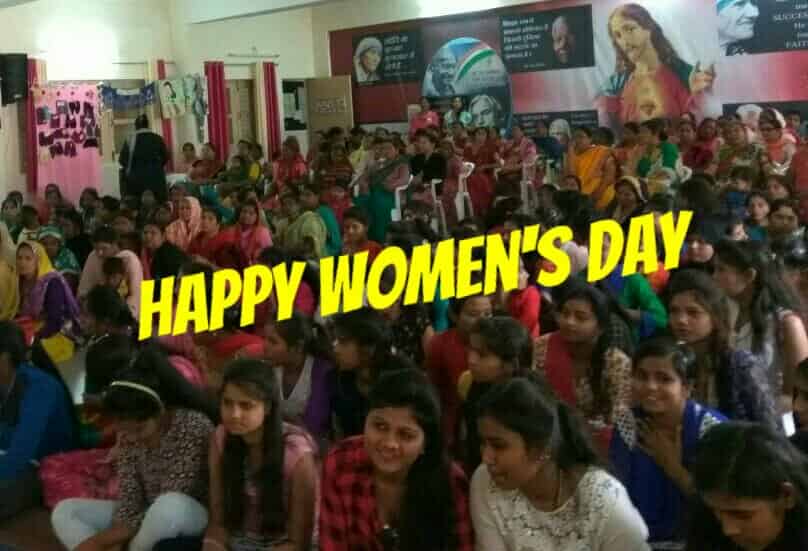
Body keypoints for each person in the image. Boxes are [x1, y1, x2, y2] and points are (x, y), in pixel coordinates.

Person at [51, 350, 215, 551]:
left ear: (160, 410)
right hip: (146, 515)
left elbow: (175, 494)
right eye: (125, 430)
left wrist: (102, 540)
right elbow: (129, 496)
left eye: (139, 429)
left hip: (187, 515)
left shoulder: (192, 426)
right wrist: (116, 531)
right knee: (66, 511)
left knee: (168, 507)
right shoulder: (127, 433)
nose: (133, 438)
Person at [471, 376, 650, 550]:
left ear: (541, 449)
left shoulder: (605, 501)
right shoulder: (485, 481)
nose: (486, 458)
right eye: (482, 443)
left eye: (498, 446)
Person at [320, 369, 473, 551]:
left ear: (425, 444)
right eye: (380, 426)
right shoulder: (341, 463)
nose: (389, 443)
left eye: (406, 435)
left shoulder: (451, 482)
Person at [610, 338, 726, 546]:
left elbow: (723, 506)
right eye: (642, 376)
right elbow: (618, 495)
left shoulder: (712, 429)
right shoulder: (628, 423)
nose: (650, 387)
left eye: (664, 379)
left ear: (687, 387)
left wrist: (673, 467)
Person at [200, 359, 318, 551]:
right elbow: (218, 521)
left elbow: (298, 543)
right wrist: (213, 545)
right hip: (236, 541)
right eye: (227, 403)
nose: (234, 414)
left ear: (268, 407)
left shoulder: (296, 454)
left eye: (246, 405)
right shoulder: (220, 438)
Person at [666, 270, 779, 427]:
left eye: (693, 312)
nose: (681, 320)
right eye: (674, 311)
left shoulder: (740, 364)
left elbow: (770, 429)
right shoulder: (676, 362)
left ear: (715, 317)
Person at [713, 239, 808, 411]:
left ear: (749, 275)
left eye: (721, 270)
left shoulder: (786, 323)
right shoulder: (724, 313)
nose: (714, 277)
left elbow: (796, 393)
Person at [687, 422, 808, 549]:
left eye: (741, 515)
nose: (728, 530)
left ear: (786, 496)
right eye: (716, 512)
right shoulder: (706, 514)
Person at [0, 321, 75, 520]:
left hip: (42, 465)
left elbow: (21, 454)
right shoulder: (5, 381)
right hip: (9, 456)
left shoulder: (40, 388)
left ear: (5, 357)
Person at [599, 3, 715, 127]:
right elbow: (611, 127)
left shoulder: (684, 74)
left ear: (648, 28)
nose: (624, 41)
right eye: (618, 36)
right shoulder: (615, 85)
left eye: (629, 29)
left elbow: (696, 122)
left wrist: (698, 94)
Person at [457, 316, 532, 472]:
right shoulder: (467, 381)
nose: (471, 360)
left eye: (482, 355)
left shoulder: (530, 401)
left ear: (510, 365)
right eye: (471, 350)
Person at [264, 312, 334, 443]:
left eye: (273, 342)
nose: (265, 347)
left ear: (297, 347)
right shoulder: (269, 368)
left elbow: (313, 427)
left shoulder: (321, 372)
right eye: (265, 339)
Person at [16, 241, 81, 364]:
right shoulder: (20, 280)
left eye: (28, 258)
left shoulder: (51, 282)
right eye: (19, 258)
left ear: (38, 260)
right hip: (32, 325)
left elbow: (55, 321)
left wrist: (32, 338)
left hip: (57, 333)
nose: (22, 262)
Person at [78, 226, 144, 318]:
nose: (100, 253)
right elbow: (84, 290)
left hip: (126, 314)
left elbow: (135, 296)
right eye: (96, 249)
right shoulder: (93, 256)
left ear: (115, 244)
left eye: (104, 248)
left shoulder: (129, 259)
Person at [354, 136, 410, 244]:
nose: (386, 151)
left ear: (397, 150)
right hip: (372, 192)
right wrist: (364, 184)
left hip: (390, 194)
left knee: (377, 204)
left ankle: (381, 238)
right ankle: (364, 238)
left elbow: (404, 179)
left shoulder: (402, 163)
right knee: (358, 203)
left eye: (389, 148)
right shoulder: (378, 164)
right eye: (384, 148)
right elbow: (363, 178)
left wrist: (390, 185)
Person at [119, 114, 169, 201]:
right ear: (147, 125)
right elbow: (165, 157)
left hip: (136, 182)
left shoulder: (130, 140)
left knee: (137, 205)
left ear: (136, 126)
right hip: (156, 180)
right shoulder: (158, 138)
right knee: (158, 204)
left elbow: (122, 160)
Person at [566, 126, 617, 210]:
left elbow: (609, 176)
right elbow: (571, 177)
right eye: (574, 138)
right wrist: (570, 150)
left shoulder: (601, 151)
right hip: (580, 202)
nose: (577, 140)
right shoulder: (571, 157)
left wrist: (596, 195)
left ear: (590, 139)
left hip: (601, 197)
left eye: (580, 136)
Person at [280, 187, 328, 259]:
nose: (287, 207)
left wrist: (287, 251)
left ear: (299, 205)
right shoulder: (285, 223)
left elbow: (309, 245)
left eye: (290, 204)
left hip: (312, 262)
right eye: (284, 204)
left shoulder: (310, 219)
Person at [37, 225, 80, 289]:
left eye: (53, 243)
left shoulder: (67, 256)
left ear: (59, 245)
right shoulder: (36, 257)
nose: (48, 247)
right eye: (44, 244)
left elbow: (69, 283)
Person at [235, 199, 273, 265]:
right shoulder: (234, 229)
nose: (246, 215)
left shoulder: (262, 233)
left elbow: (270, 255)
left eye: (251, 213)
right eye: (244, 211)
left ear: (257, 216)